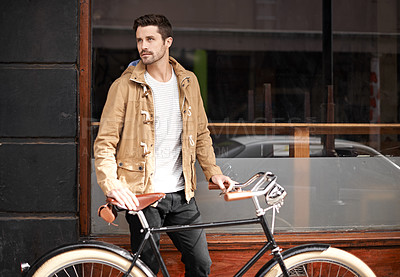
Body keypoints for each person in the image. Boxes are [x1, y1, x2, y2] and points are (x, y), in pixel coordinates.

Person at [94, 14, 235, 276]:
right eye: (139, 40)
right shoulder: (124, 86)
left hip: (183, 195)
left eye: (150, 39)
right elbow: (105, 143)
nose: (143, 46)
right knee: (147, 269)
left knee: (200, 263)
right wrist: (112, 184)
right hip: (144, 195)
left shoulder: (188, 81)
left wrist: (213, 172)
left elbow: (201, 133)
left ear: (167, 42)